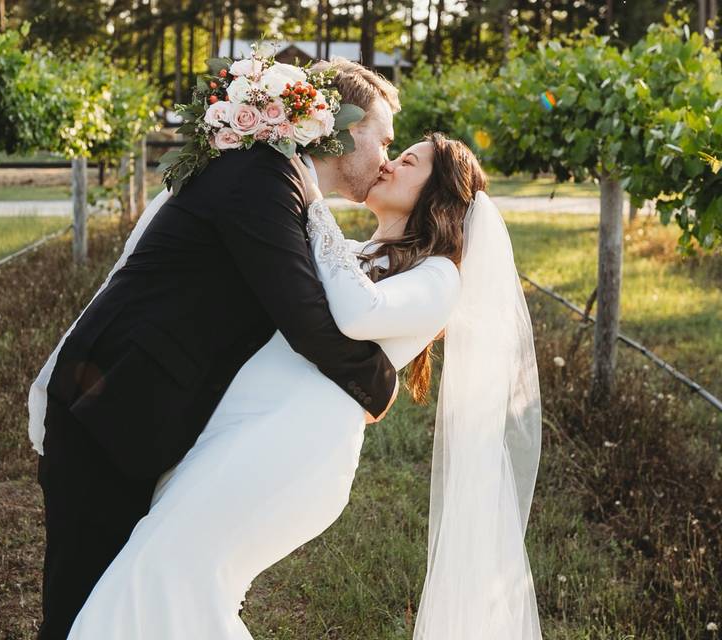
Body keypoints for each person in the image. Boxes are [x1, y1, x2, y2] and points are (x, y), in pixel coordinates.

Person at [65, 132, 544, 639]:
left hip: (293, 447)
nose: (390, 164)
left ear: (440, 193)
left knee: (161, 571)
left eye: (408, 161)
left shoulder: (440, 277)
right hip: (243, 430)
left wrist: (315, 205)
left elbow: (359, 312)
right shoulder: (357, 253)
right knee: (174, 578)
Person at [28, 58, 403, 640]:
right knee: (80, 611)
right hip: (103, 406)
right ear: (347, 128)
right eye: (384, 140)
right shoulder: (261, 175)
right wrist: (379, 383)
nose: (386, 158)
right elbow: (301, 313)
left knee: (120, 610)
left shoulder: (282, 186)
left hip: (138, 410)